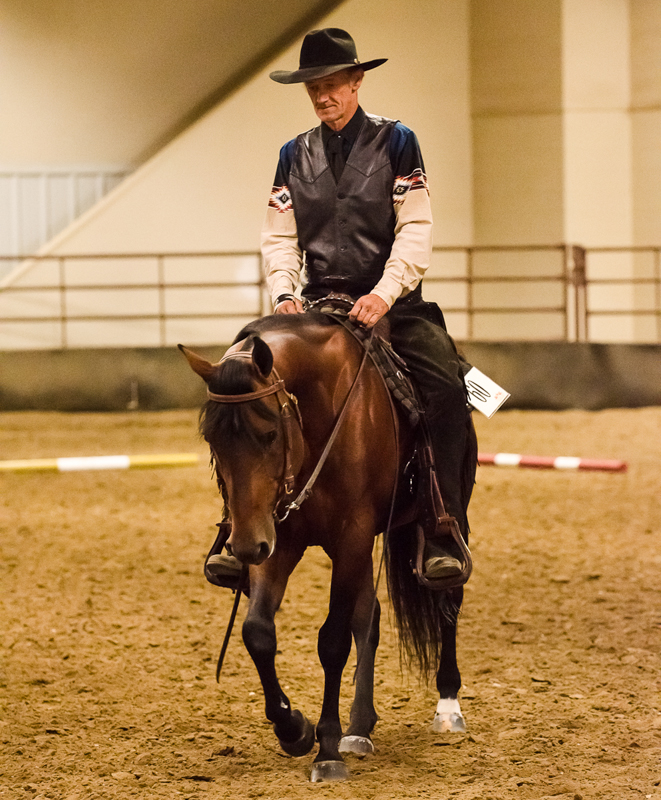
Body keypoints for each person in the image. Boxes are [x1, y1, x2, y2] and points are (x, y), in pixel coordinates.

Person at [207, 27, 472, 583]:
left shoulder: (397, 142)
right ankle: (232, 524)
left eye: (333, 85)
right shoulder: (292, 155)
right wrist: (283, 293)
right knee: (236, 380)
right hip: (315, 305)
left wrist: (386, 290)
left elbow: (415, 225)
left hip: (394, 305)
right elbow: (281, 237)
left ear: (356, 82)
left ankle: (440, 527)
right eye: (314, 89)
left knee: (448, 388)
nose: (324, 97)